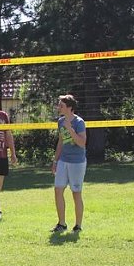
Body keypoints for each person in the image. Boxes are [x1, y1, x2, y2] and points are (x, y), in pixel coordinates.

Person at [51, 94, 87, 232]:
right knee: (58, 190)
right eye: (59, 105)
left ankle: (78, 226)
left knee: (76, 193)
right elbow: (60, 142)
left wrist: (70, 129)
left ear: (70, 108)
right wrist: (55, 161)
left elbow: (82, 143)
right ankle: (61, 224)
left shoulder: (79, 122)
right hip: (63, 161)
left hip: (77, 162)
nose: (58, 107)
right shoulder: (60, 121)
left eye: (61, 105)